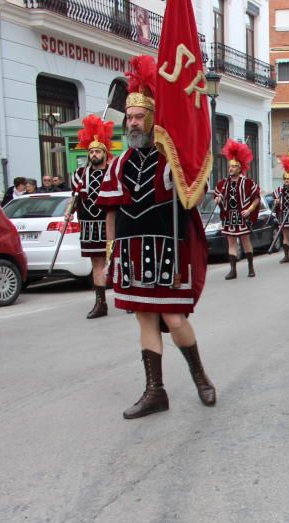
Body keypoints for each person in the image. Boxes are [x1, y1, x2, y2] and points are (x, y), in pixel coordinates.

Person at [97, 55, 215, 419]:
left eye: (138, 117)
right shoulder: (117, 164)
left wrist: (185, 178)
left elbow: (197, 190)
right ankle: (155, 391)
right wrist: (111, 253)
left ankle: (199, 375)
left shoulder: (171, 159)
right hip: (132, 253)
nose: (132, 123)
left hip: (169, 252)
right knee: (145, 319)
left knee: (175, 319)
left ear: (152, 119)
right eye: (129, 118)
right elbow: (111, 210)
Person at [66, 113, 115, 319]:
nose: (94, 154)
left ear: (104, 152)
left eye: (97, 151)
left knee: (117, 261)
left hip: (110, 224)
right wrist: (69, 212)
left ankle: (128, 297)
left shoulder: (113, 172)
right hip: (89, 227)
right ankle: (100, 303)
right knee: (97, 265)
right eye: (91, 151)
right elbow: (75, 198)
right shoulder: (79, 175)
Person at [214, 140, 261, 279]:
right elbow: (218, 196)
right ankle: (233, 270)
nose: (230, 169)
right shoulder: (223, 183)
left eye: (233, 167)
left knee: (246, 242)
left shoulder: (248, 183)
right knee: (231, 243)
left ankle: (251, 267)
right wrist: (218, 200)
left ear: (240, 168)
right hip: (229, 217)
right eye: (229, 167)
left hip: (243, 217)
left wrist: (249, 210)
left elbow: (256, 198)